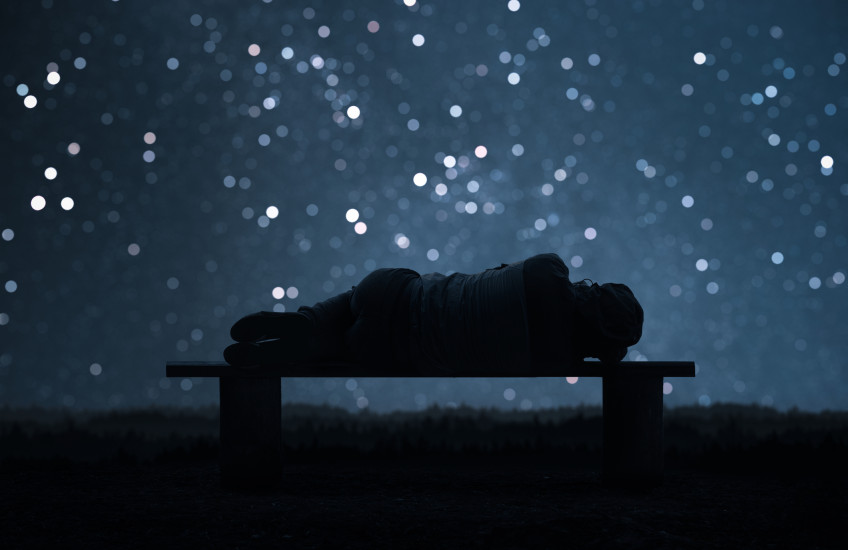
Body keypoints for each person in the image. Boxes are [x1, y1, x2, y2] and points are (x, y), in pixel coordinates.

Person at [224, 252, 643, 374]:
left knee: (352, 306)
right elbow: (604, 355)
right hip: (389, 350)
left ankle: (307, 321)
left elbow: (501, 271)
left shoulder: (548, 270)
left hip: (388, 290)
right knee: (343, 345)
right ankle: (287, 349)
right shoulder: (559, 359)